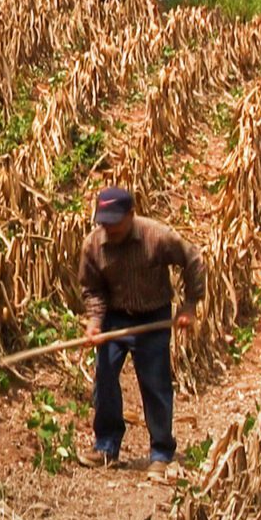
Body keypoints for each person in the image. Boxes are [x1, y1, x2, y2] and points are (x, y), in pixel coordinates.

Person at [77, 187, 206, 480]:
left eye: (115, 221)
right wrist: (95, 321)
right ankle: (106, 446)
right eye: (103, 221)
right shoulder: (93, 245)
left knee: (155, 383)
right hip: (115, 317)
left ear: (131, 215)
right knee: (106, 377)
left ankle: (161, 452)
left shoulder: (157, 236)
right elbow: (92, 288)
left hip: (153, 316)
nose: (108, 228)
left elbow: (193, 260)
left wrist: (189, 306)